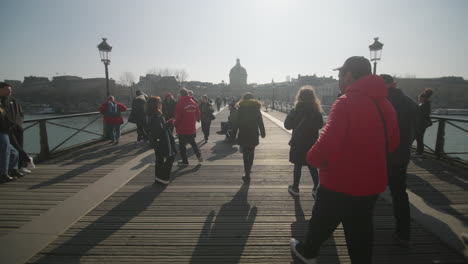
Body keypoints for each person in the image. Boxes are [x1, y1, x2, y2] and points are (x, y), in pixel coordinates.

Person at [290, 56, 399, 264]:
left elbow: (328, 142)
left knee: (321, 220)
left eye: (340, 75)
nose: (339, 79)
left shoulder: (345, 102)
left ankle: (308, 252)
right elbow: (392, 144)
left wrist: (312, 158)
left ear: (349, 76)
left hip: (340, 181)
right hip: (372, 181)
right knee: (361, 228)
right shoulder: (387, 105)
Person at [381, 74, 419, 248]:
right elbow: (420, 124)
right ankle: (404, 233)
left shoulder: (381, 101)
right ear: (394, 84)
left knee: (370, 191)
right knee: (399, 194)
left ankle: (363, 229)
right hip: (402, 154)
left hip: (382, 155)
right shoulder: (410, 102)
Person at [284, 86, 323, 197]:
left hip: (298, 142)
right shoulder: (316, 111)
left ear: (299, 97)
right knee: (313, 166)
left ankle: (295, 187)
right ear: (313, 97)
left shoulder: (294, 110)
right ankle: (316, 188)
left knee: (297, 166)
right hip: (312, 142)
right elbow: (320, 125)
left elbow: (287, 125)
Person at [0, 82, 33, 175]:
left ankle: (16, 167)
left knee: (15, 149)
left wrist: (20, 122)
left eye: (10, 90)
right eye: (7, 90)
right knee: (11, 149)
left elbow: (20, 112)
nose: (10, 91)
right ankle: (7, 171)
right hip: (5, 129)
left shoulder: (13, 100)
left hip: (16, 127)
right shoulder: (2, 102)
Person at [232, 93, 265, 181]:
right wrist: (263, 133)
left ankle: (246, 173)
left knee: (245, 154)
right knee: (251, 152)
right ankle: (248, 171)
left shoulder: (240, 108)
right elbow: (260, 122)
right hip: (253, 133)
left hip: (243, 133)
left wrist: (233, 135)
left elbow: (236, 123)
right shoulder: (256, 109)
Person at [146, 96, 176, 185]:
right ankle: (163, 178)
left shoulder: (152, 114)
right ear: (156, 104)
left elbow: (157, 128)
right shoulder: (156, 115)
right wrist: (169, 123)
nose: (161, 104)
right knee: (170, 157)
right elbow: (159, 130)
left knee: (159, 159)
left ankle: (158, 179)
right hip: (161, 140)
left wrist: (166, 123)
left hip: (157, 141)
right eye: (160, 102)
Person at [173, 88, 203, 165]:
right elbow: (198, 113)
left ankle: (185, 161)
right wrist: (197, 120)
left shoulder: (180, 103)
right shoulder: (193, 102)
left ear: (180, 94)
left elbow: (178, 117)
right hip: (191, 127)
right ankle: (199, 154)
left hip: (182, 128)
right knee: (193, 142)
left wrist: (175, 124)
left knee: (182, 146)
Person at [0, 83, 21, 182]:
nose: (10, 92)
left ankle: (13, 169)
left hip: (5, 130)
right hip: (1, 131)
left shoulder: (4, 101)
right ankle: (3, 174)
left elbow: (5, 116)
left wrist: (12, 124)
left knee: (14, 152)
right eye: (7, 89)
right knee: (5, 152)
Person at [415, 88, 433, 156]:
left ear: (423, 98)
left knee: (419, 137)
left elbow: (423, 114)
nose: (418, 99)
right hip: (422, 123)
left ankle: (419, 152)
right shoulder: (425, 104)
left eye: (419, 98)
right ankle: (419, 152)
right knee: (419, 137)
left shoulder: (425, 105)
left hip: (422, 123)